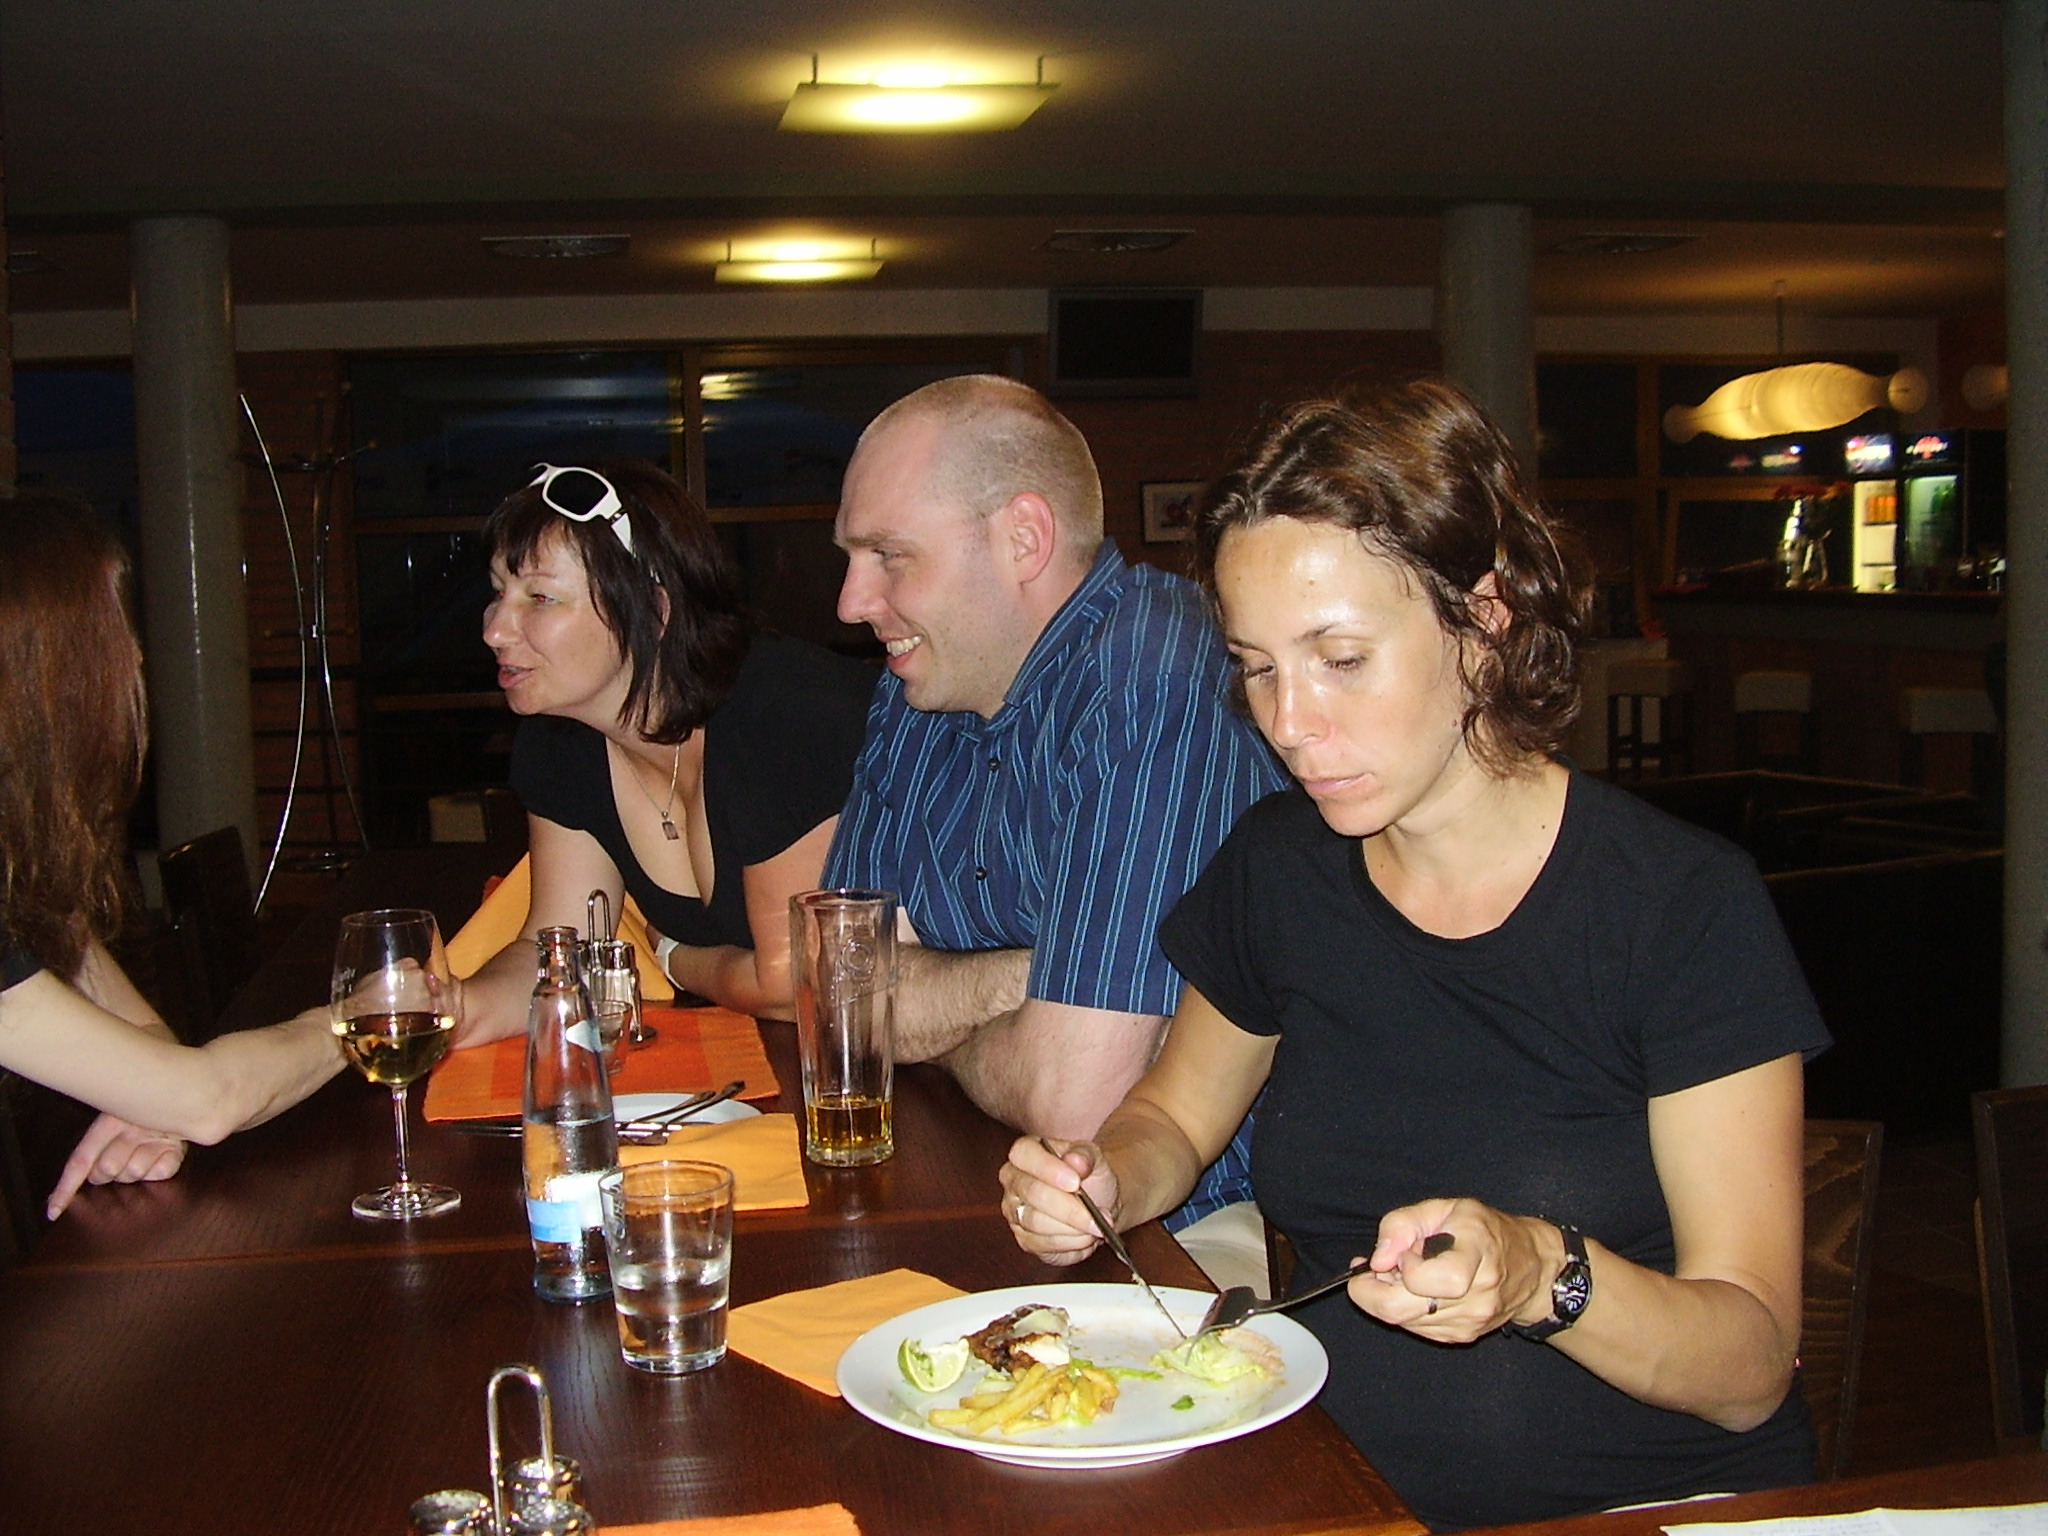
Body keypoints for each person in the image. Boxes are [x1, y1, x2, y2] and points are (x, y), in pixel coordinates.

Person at [1001, 380, 1831, 1530]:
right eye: (1255, 666)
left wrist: (1540, 1273)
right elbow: (1175, 1120)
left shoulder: (1677, 906)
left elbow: (1748, 1371)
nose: (1288, 722)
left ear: (1482, 622)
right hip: (1337, 1500)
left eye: (1339, 659)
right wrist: (1100, 1179)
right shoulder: (1279, 868)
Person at [826, 375, 1286, 1239]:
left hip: (1180, 1230)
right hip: (972, 1177)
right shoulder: (917, 684)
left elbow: (1079, 1107)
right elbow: (839, 990)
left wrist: (926, 1009)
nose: (851, 602)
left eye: (888, 555)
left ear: (1024, 539)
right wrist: (1026, 983)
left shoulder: (1152, 677)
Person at [0, 497, 344, 1220]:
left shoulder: (20, 875)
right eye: (117, 633)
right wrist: (360, 1020)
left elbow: (147, 1037)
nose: (135, 659)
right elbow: (209, 1098)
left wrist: (152, 1100)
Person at [457, 460, 875, 1039]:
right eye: (499, 593)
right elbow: (555, 955)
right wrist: (444, 1010)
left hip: (922, 1042)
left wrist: (675, 957)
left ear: (653, 611)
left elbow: (795, 985)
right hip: (792, 1051)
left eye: (540, 597)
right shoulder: (563, 740)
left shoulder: (782, 713)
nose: (495, 629)